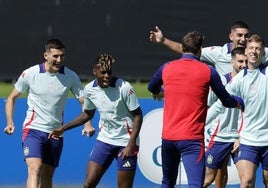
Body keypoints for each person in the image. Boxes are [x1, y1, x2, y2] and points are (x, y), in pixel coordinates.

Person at [147, 31, 244, 188]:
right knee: (195, 184)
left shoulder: (167, 68)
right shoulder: (208, 71)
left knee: (167, 182)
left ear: (183, 48)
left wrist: (162, 91)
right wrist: (239, 102)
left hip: (169, 138)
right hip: (192, 140)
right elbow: (226, 100)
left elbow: (152, 87)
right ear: (200, 49)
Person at [48, 53, 143, 188]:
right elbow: (87, 114)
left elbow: (138, 115)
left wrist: (130, 145)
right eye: (103, 72)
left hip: (125, 142)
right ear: (94, 71)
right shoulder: (89, 90)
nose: (107, 76)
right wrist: (63, 129)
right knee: (88, 184)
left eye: (109, 72)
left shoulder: (124, 87)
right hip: (105, 140)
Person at [3, 39, 86, 188]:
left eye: (62, 56)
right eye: (55, 56)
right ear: (46, 56)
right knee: (35, 169)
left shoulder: (71, 76)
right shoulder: (30, 73)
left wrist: (88, 123)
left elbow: (85, 102)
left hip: (56, 132)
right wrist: (10, 122)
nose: (59, 60)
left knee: (47, 177)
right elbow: (11, 98)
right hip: (33, 129)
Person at [212, 34, 268, 188]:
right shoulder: (237, 80)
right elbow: (219, 104)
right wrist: (203, 122)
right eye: (251, 48)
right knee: (247, 181)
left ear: (263, 52)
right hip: (248, 140)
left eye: (258, 49)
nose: (254, 51)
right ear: (246, 50)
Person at [203, 47, 247, 188]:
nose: (244, 65)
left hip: (242, 138)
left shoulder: (251, 83)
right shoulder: (220, 82)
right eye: (240, 61)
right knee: (208, 179)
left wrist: (241, 136)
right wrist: (202, 128)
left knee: (247, 179)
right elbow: (209, 107)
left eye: (246, 61)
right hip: (219, 136)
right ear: (232, 62)